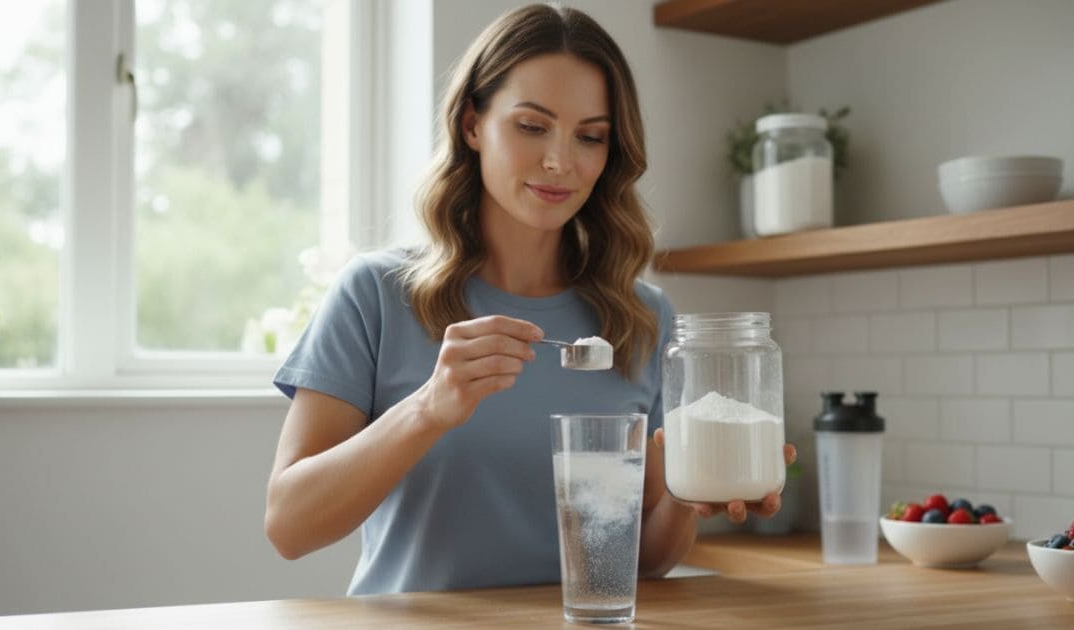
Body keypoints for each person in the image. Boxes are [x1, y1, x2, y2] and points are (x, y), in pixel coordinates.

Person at [264, 3, 795, 595]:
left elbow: (643, 562)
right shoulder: (375, 295)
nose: (559, 162)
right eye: (531, 126)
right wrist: (428, 408)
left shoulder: (643, 319)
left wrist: (687, 493)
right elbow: (290, 526)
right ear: (472, 124)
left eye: (589, 137)